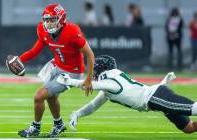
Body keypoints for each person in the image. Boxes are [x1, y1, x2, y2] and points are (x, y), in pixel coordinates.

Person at [11, 3, 95, 138]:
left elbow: (90, 54)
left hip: (73, 72)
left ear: (61, 19)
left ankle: (35, 128)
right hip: (57, 65)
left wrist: (89, 79)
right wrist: (20, 59)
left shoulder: (72, 31)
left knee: (39, 96)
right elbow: (34, 51)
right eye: (47, 20)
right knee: (50, 96)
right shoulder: (42, 30)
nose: (49, 23)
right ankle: (59, 124)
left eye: (52, 19)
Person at [57, 55, 197, 134]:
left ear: (101, 69)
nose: (92, 74)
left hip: (155, 97)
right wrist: (77, 114)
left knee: (193, 109)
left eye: (94, 70)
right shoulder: (109, 86)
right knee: (188, 128)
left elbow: (90, 85)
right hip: (155, 99)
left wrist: (69, 81)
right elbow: (93, 105)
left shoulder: (110, 80)